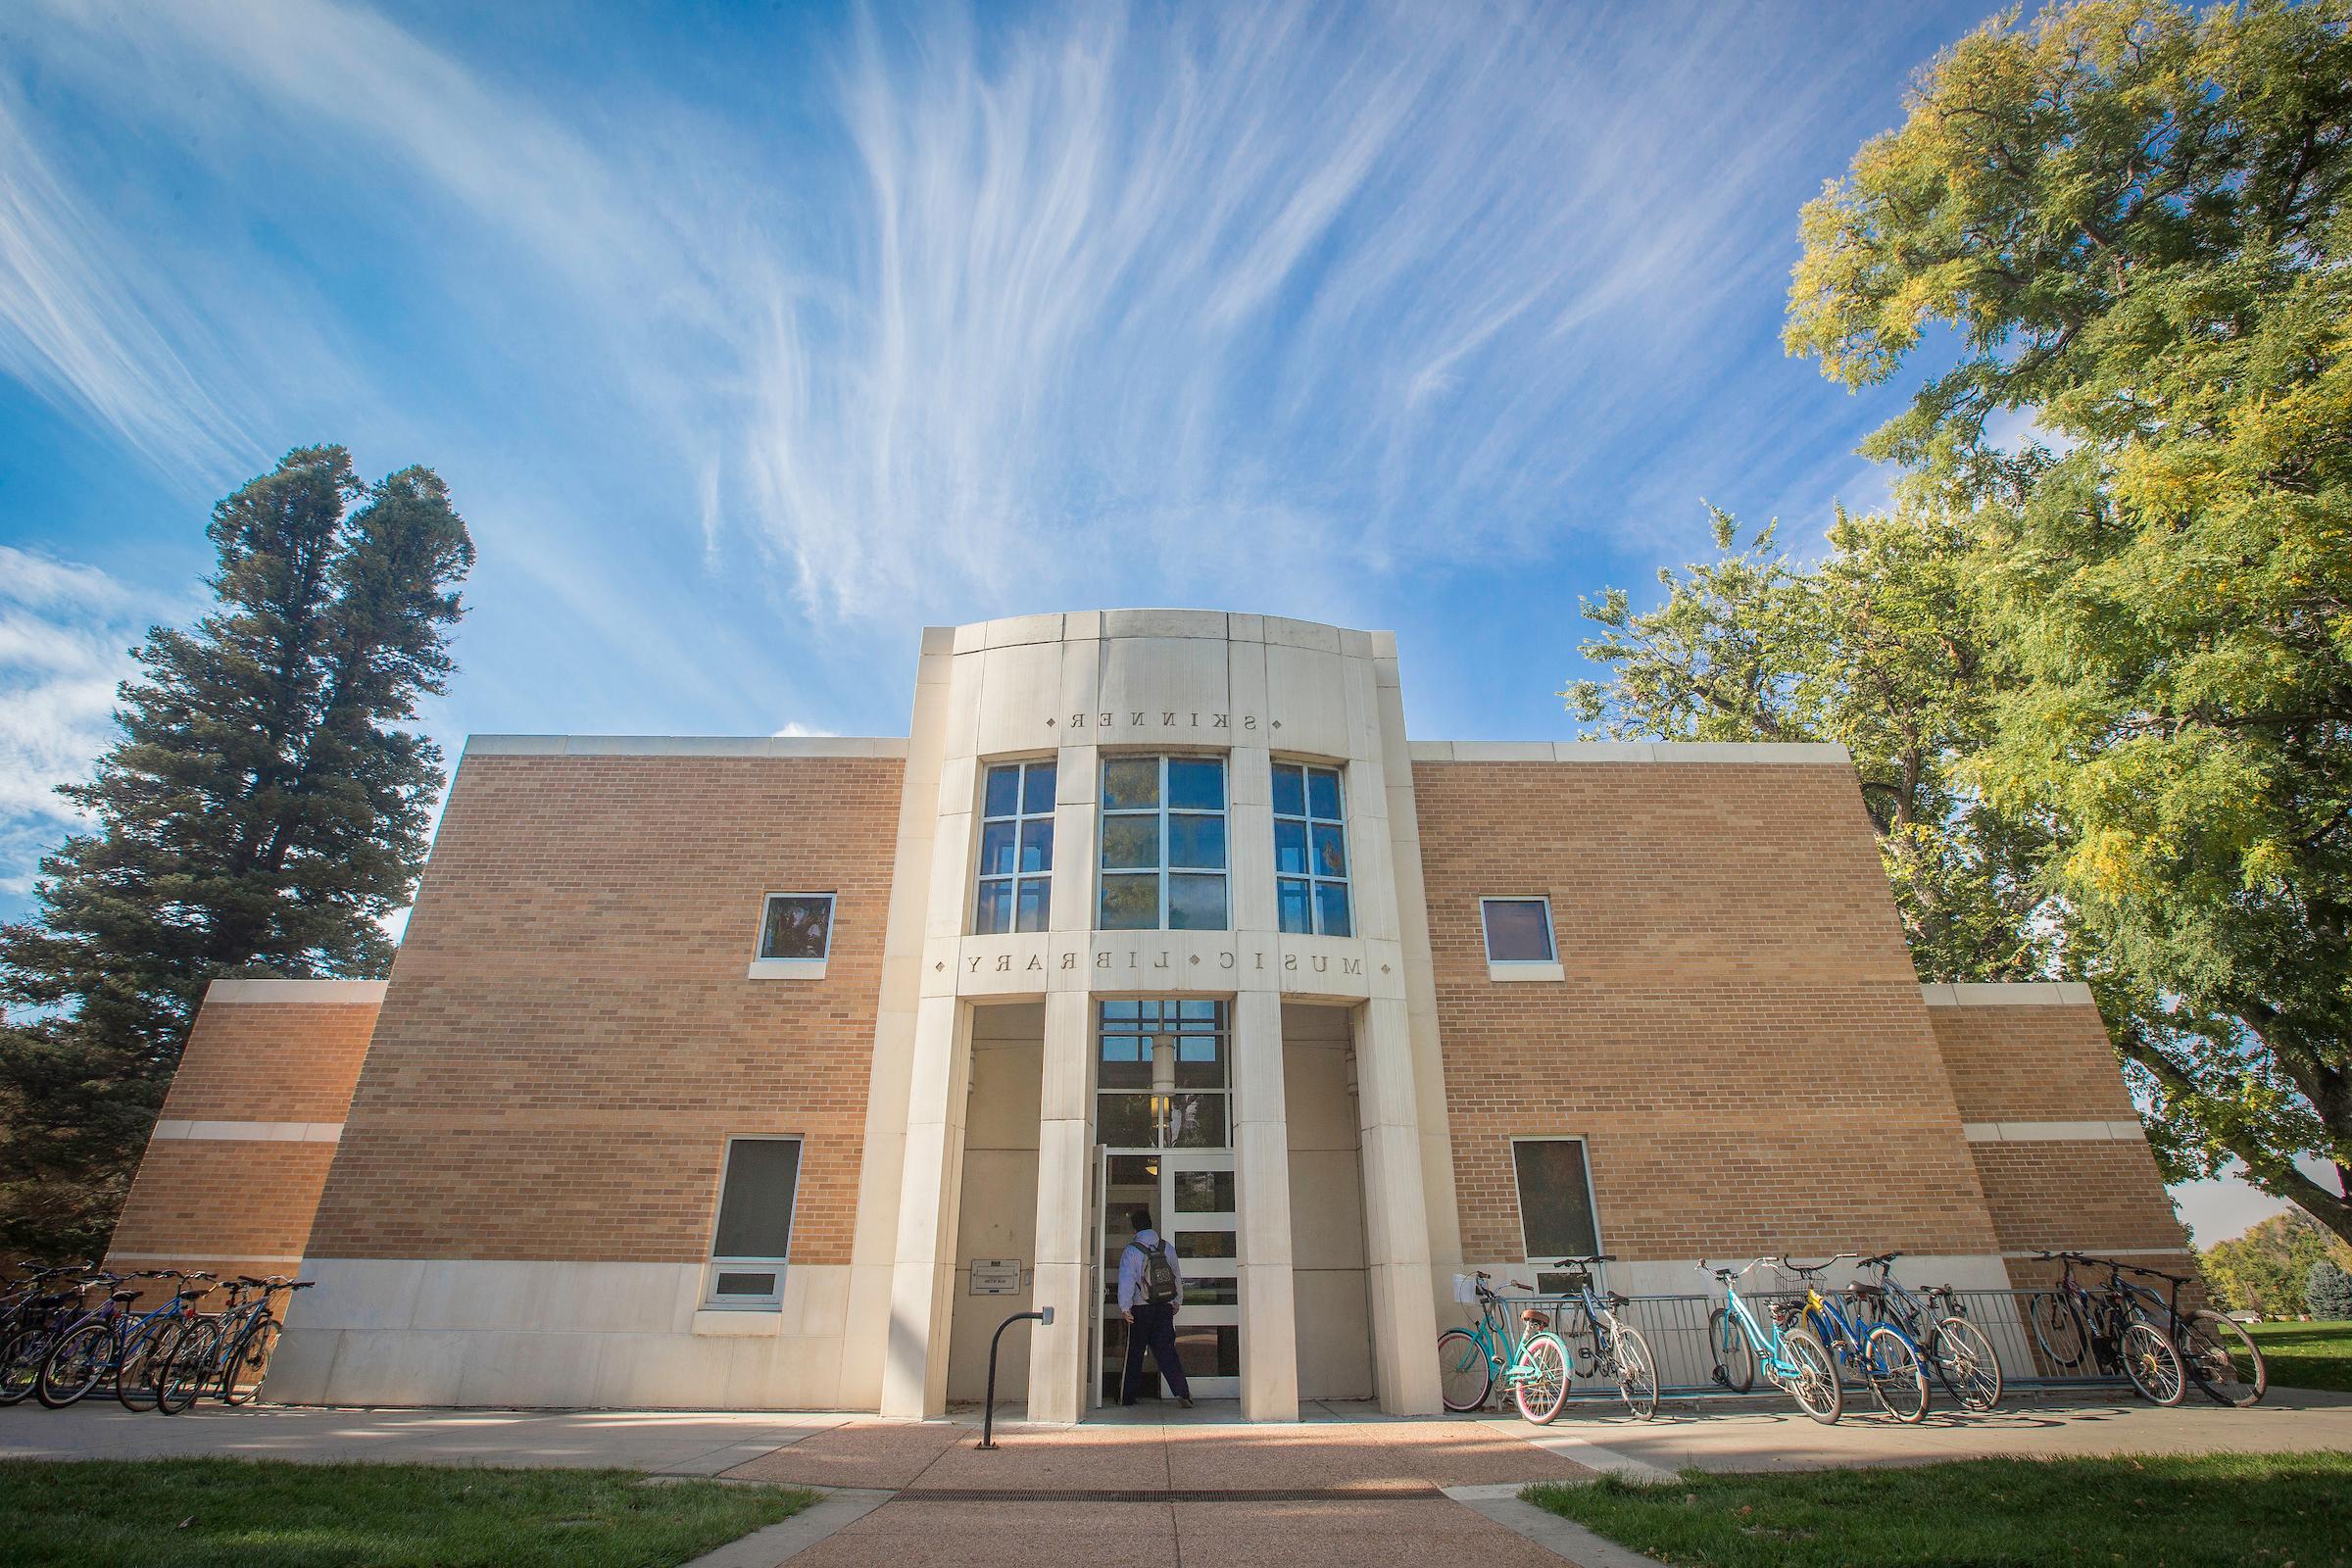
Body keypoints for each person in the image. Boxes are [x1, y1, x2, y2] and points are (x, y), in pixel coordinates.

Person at [1117, 1207, 1193, 1407]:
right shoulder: (1167, 1247)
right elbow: (1176, 1274)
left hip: (1140, 1308)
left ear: (1135, 1228)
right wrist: (1177, 1300)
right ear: (1151, 1224)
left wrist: (1125, 1308)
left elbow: (1127, 1280)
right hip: (1164, 1307)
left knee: (1134, 1353)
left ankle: (1128, 1396)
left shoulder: (1132, 1250)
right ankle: (1182, 1393)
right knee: (1167, 1351)